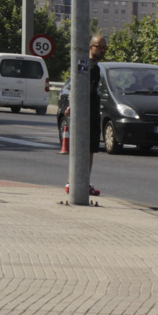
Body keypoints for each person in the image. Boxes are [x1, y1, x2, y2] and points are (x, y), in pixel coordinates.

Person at [65, 35, 108, 196]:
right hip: (88, 115)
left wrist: (72, 106)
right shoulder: (93, 68)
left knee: (80, 149)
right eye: (99, 47)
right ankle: (81, 183)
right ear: (91, 47)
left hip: (83, 114)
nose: (102, 51)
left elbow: (77, 87)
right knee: (88, 150)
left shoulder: (84, 64)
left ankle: (73, 182)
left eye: (105, 48)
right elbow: (85, 90)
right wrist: (74, 106)